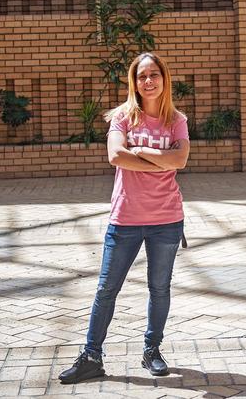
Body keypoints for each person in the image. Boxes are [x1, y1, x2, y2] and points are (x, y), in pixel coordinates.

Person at [59, 52, 190, 384]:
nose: (148, 81)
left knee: (159, 288)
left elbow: (182, 159)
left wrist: (143, 152)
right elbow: (116, 155)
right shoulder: (122, 117)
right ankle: (91, 357)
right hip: (125, 218)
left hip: (166, 219)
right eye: (141, 76)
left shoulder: (176, 119)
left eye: (153, 75)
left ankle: (152, 350)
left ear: (164, 78)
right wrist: (162, 160)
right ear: (134, 82)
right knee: (106, 288)